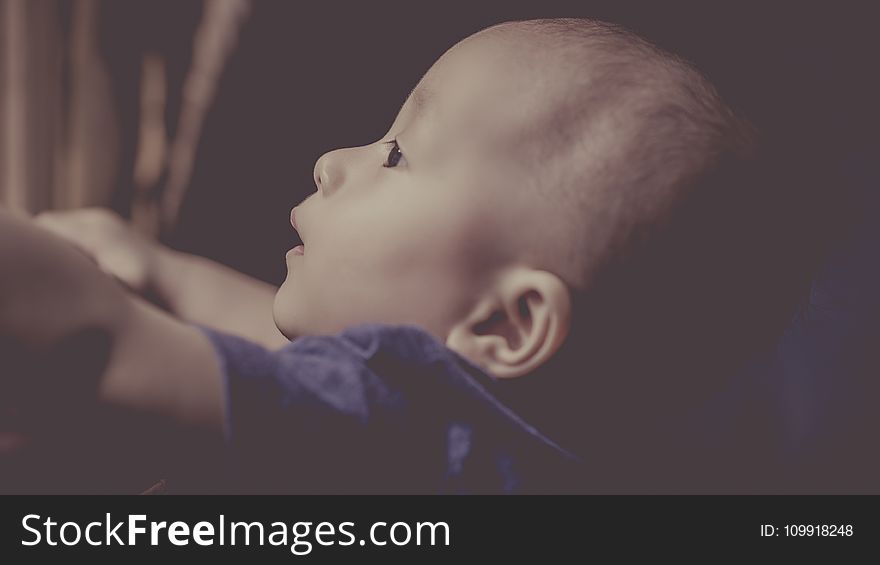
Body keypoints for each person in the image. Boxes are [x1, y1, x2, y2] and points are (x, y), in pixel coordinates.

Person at [2, 18, 788, 493]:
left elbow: (98, 346)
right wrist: (163, 269)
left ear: (510, 322)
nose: (331, 160)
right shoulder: (492, 445)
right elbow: (289, 372)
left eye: (397, 154)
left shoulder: (401, 443)